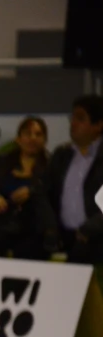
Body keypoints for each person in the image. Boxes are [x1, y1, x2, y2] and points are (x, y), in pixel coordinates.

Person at [0, 116, 58, 260]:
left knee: (27, 249)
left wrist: (31, 193)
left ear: (45, 140)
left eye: (38, 134)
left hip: (32, 226)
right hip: (1, 220)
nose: (32, 138)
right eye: (27, 133)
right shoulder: (3, 162)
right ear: (18, 139)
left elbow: (53, 194)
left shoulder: (51, 167)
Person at [44, 94, 103, 265]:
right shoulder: (62, 155)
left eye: (81, 118)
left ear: (98, 125)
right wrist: (50, 227)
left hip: (94, 234)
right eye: (73, 117)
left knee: (82, 254)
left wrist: (89, 229)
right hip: (62, 233)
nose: (73, 123)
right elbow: (44, 193)